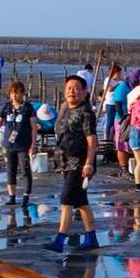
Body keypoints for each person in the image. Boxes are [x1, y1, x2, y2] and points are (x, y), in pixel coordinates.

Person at [45, 75, 100, 252]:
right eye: (69, 87)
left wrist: (89, 164)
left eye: (76, 88)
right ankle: (91, 238)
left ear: (84, 92)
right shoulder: (63, 108)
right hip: (65, 162)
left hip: (80, 163)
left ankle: (60, 241)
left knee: (66, 200)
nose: (72, 91)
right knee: (81, 201)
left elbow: (92, 140)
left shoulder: (86, 112)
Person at [0, 81, 37, 204]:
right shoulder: (7, 107)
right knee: (10, 170)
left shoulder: (28, 107)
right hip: (9, 145)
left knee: (25, 170)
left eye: (18, 93)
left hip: (23, 145)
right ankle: (12, 197)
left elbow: (34, 127)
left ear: (23, 94)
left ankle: (25, 196)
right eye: (13, 93)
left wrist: (33, 145)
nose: (15, 95)